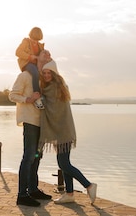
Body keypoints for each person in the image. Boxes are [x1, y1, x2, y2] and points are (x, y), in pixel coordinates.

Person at [38, 60, 97, 204]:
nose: (46, 75)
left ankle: (88, 185)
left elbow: (49, 108)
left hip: (63, 132)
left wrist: (38, 101)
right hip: (63, 131)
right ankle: (69, 194)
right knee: (64, 163)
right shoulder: (59, 86)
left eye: (49, 73)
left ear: (54, 73)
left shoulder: (55, 89)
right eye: (44, 73)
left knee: (64, 164)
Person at [8, 68, 53, 207]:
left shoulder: (42, 77)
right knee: (29, 157)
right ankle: (22, 195)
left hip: (42, 122)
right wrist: (28, 99)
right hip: (30, 121)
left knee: (37, 156)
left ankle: (33, 190)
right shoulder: (25, 76)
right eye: (42, 56)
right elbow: (12, 95)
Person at [15, 27, 51, 109]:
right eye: (34, 39)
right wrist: (30, 57)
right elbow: (18, 52)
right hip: (27, 63)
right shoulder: (25, 42)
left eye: (37, 40)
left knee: (47, 73)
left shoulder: (40, 46)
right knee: (35, 72)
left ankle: (47, 95)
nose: (35, 41)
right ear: (30, 36)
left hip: (37, 64)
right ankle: (36, 96)